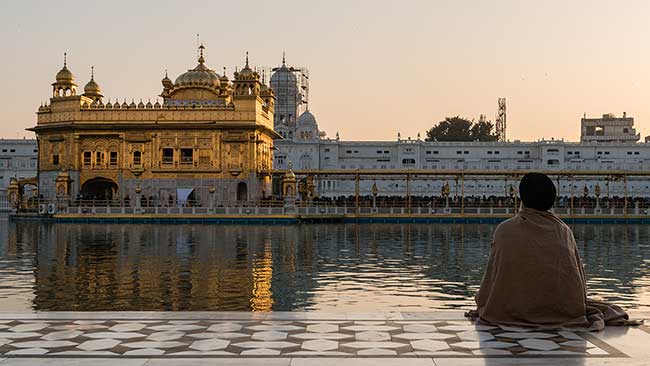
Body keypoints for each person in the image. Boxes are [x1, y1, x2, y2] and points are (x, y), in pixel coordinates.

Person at [467, 172, 639, 330]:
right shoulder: (563, 230)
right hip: (562, 309)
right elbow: (578, 280)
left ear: (522, 197)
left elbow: (491, 280)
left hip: (512, 309)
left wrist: (483, 301)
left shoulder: (505, 230)